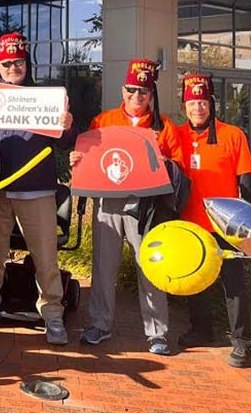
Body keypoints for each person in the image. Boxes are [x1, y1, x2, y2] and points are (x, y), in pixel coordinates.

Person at [70, 58, 185, 355]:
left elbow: (180, 169)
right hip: (108, 202)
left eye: (144, 92)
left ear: (152, 95)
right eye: (132, 90)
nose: (137, 97)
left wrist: (163, 164)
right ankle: (99, 324)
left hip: (146, 206)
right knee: (103, 266)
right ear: (123, 90)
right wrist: (76, 160)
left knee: (148, 266)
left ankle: (157, 331)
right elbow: (88, 159)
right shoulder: (103, 121)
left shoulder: (164, 127)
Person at [0, 32, 75, 346]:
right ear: (0, 65)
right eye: (7, 63)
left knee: (45, 257)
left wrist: (66, 126)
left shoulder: (46, 98)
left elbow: (66, 143)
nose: (13, 68)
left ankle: (52, 315)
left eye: (19, 62)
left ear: (27, 64)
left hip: (37, 192)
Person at [176, 74, 251, 368]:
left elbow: (246, 182)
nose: (198, 108)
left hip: (227, 223)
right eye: (192, 102)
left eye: (203, 102)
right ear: (185, 106)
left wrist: (249, 222)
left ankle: (243, 343)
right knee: (197, 280)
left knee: (234, 285)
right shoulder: (178, 135)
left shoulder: (233, 134)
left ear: (211, 104)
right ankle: (201, 330)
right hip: (191, 223)